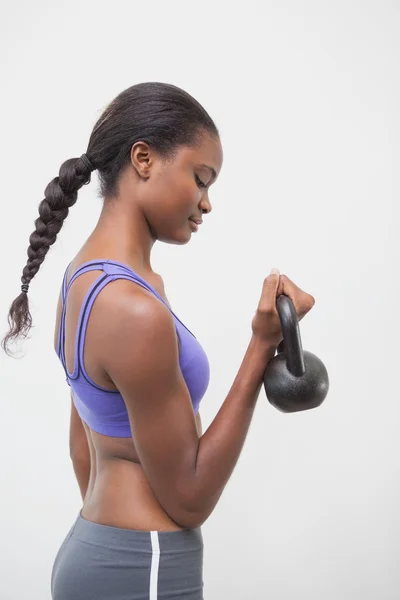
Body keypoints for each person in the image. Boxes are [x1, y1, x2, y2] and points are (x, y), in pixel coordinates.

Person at [2, 82, 315, 599]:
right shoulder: (132, 308)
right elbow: (189, 499)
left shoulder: (84, 279)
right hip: (141, 564)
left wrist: (110, 534)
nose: (207, 203)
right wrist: (262, 346)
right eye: (201, 178)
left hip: (99, 545)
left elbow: (85, 442)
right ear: (143, 159)